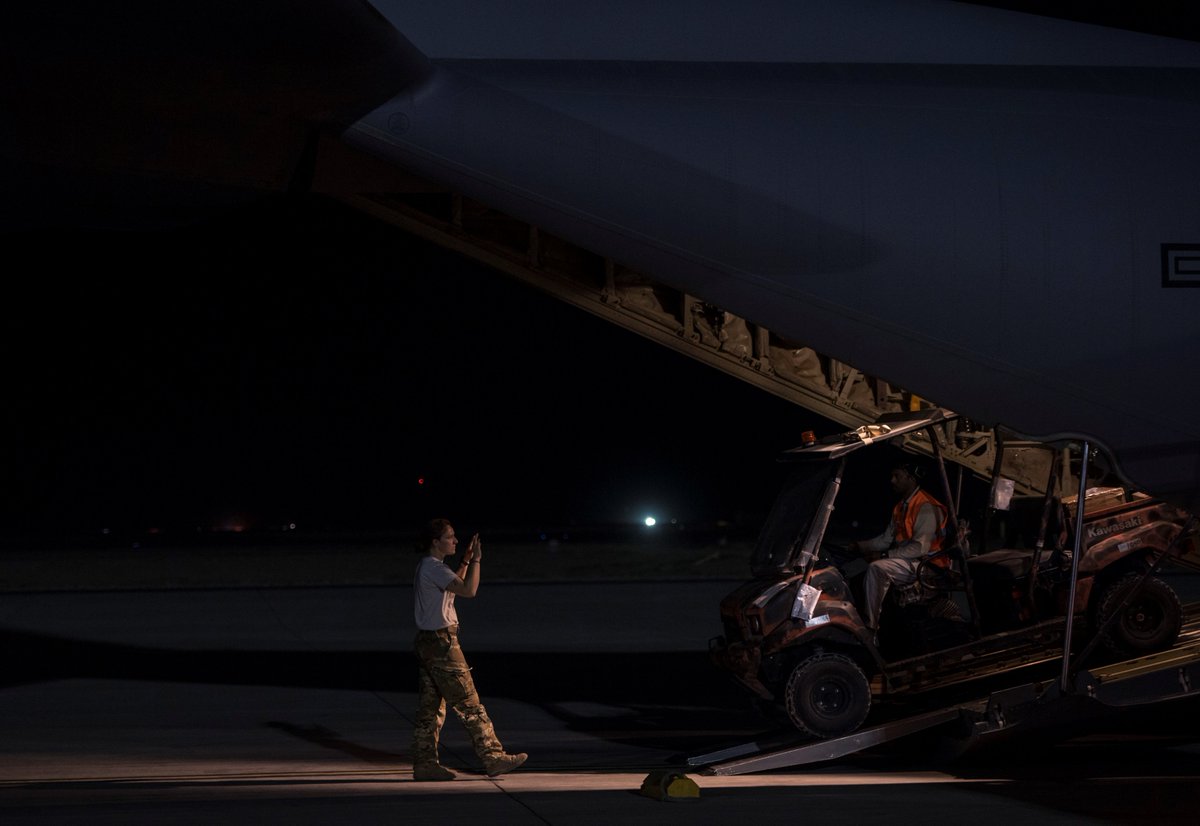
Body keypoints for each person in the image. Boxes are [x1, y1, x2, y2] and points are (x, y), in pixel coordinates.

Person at [410, 518, 527, 781]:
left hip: (427, 643)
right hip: (442, 644)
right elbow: (469, 590)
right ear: (435, 541)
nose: (455, 540)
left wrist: (464, 561)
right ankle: (493, 757)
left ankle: (424, 762)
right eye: (450, 536)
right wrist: (476, 561)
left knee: (430, 708)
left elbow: (452, 588)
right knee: (469, 702)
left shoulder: (430, 567)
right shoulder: (434, 567)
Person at [848, 462, 949, 638]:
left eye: (897, 476)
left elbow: (920, 547)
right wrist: (859, 546)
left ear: (911, 478)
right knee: (859, 574)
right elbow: (885, 540)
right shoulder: (901, 506)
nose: (892, 480)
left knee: (877, 568)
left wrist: (884, 555)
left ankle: (871, 629)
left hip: (929, 565)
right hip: (912, 562)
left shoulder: (925, 506)